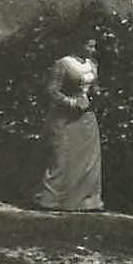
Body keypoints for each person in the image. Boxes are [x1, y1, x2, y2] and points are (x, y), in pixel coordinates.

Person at [33, 36, 104, 212]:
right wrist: (72, 102)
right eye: (89, 45)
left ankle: (88, 202)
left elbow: (95, 87)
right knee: (62, 157)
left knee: (88, 160)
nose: (92, 49)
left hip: (86, 117)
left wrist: (97, 95)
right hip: (65, 117)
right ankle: (53, 201)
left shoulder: (92, 64)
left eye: (93, 46)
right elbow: (51, 91)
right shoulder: (63, 64)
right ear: (78, 45)